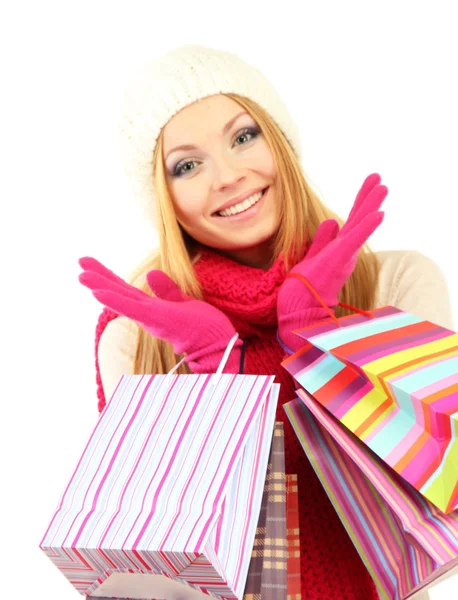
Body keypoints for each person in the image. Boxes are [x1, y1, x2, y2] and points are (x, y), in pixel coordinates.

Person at [78, 44, 454, 600]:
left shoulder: (393, 286)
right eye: (187, 165)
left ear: (279, 141)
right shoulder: (139, 336)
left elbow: (433, 496)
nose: (228, 175)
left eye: (243, 136)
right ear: (165, 200)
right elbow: (160, 564)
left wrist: (312, 344)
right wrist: (218, 378)